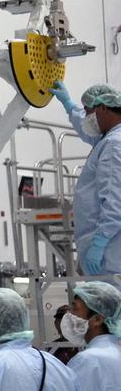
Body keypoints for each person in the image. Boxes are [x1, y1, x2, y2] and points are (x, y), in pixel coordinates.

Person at [51, 81, 121, 274]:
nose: (87, 118)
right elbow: (86, 130)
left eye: (88, 111)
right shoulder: (108, 138)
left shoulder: (114, 145)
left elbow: (115, 202)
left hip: (110, 252)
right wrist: (68, 104)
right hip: (110, 249)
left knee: (108, 302)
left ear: (103, 108)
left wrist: (99, 244)